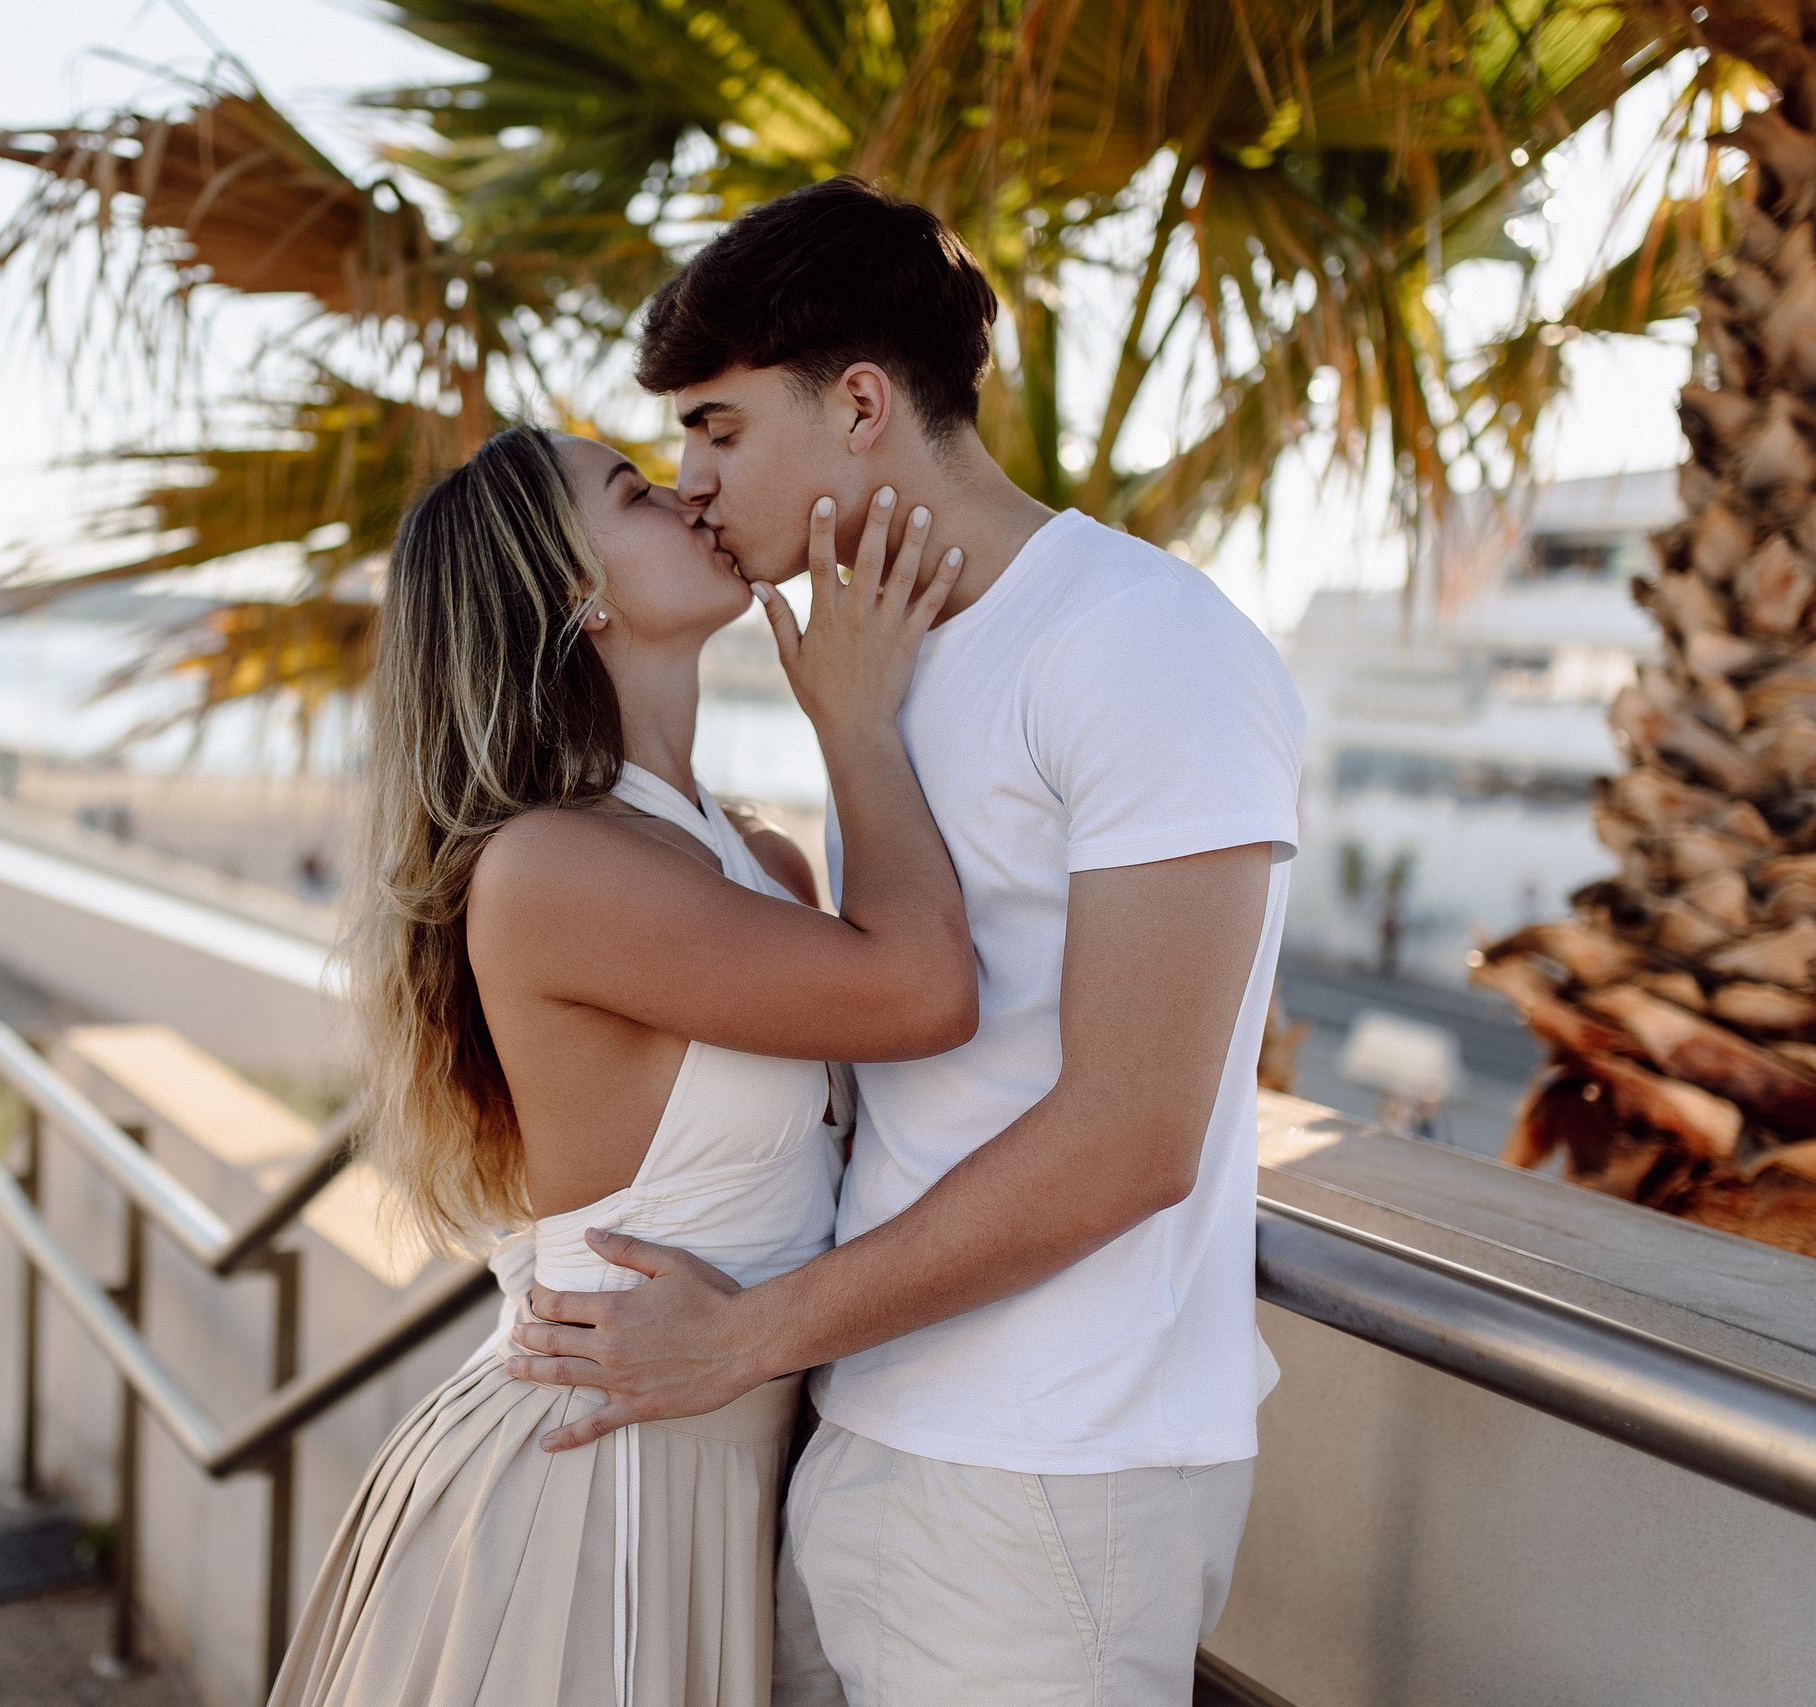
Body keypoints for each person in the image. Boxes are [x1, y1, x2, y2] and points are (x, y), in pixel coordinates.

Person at [504, 178, 1307, 1706]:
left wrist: (744, 1335)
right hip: (866, 1431)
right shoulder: (892, 654)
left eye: (719, 429)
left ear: (860, 401)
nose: (688, 481)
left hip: (1046, 1471)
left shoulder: (1143, 643)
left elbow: (1140, 1129)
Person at [269, 423, 976, 1706]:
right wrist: (857, 723)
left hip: (733, 1472)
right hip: (592, 1493)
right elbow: (925, 989)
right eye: (636, 491)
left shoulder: (759, 864)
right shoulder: (552, 867)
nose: (694, 490)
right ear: (572, 594)